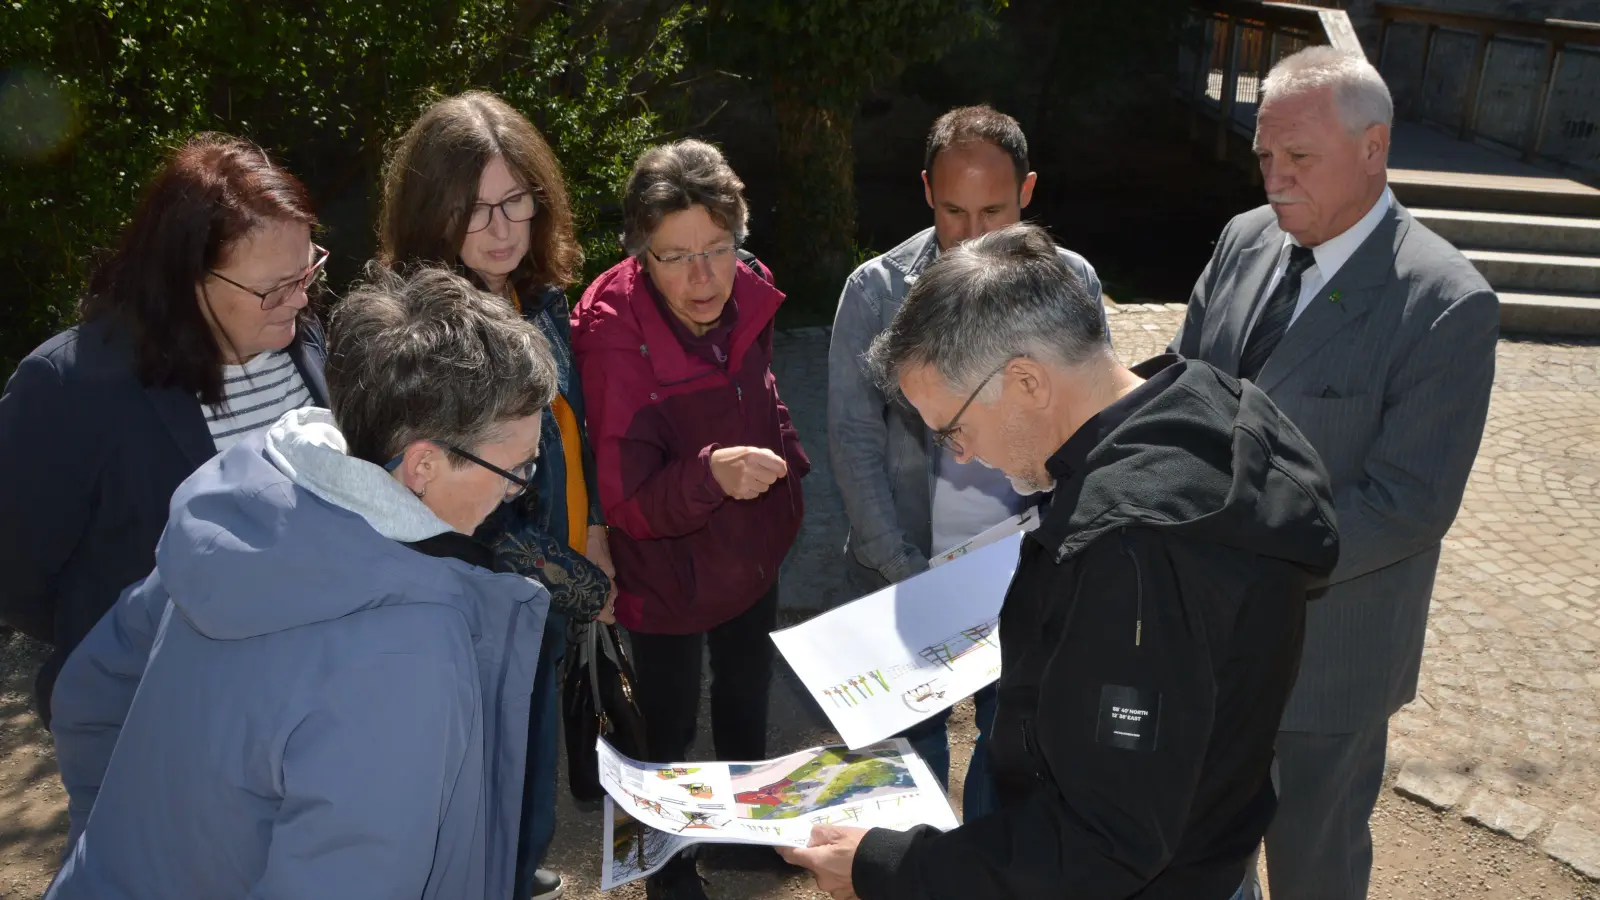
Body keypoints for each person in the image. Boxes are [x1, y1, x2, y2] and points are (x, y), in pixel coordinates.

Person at [780, 223, 1340, 900]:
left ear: (1026, 381)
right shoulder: (1204, 403)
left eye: (953, 429)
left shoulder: (1129, 550)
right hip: (1211, 853)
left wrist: (890, 868)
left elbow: (1103, 843)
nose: (958, 456)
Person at [45, 266, 560, 900]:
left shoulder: (239, 515)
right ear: (424, 464)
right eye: (516, 468)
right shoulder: (408, 650)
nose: (519, 490)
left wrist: (108, 855)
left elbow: (88, 696)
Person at [1169, 47, 1498, 900]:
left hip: (1331, 656)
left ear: (1374, 148)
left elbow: (1410, 502)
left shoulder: (1445, 300)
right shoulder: (1247, 237)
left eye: (1299, 159)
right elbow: (1188, 382)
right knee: (1200, 846)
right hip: (1204, 635)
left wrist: (1242, 557)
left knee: (1315, 865)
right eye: (1265, 156)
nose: (1274, 180)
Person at [0, 133, 329, 726]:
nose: (299, 300)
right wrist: (124, 636)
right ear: (187, 278)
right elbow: (18, 577)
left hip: (300, 707)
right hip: (151, 721)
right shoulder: (72, 386)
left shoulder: (304, 342)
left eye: (307, 272)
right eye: (273, 288)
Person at [828, 104, 1105, 808]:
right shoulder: (874, 291)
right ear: (926, 191)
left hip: (1024, 572)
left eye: (994, 211)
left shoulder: (1074, 284)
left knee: (1012, 756)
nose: (973, 235)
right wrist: (904, 570)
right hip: (903, 571)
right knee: (904, 770)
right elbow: (854, 441)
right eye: (953, 211)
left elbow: (1090, 432)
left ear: (1029, 192)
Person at [380, 89, 613, 900]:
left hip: (544, 590)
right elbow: (444, 508)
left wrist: (594, 534)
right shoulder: (416, 329)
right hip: (472, 608)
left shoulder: (538, 302)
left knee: (530, 754)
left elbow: (566, 442)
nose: (503, 227)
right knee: (478, 773)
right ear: (431, 212)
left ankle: (519, 868)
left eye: (517, 200)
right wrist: (569, 578)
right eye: (475, 209)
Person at [571, 139, 809, 900]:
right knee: (664, 730)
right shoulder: (610, 332)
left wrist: (789, 464)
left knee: (745, 697)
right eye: (675, 257)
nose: (704, 278)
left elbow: (761, 390)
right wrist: (710, 474)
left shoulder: (754, 283)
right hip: (663, 566)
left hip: (750, 543)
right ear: (640, 253)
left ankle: (749, 834)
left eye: (718, 248)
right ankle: (666, 871)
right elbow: (629, 499)